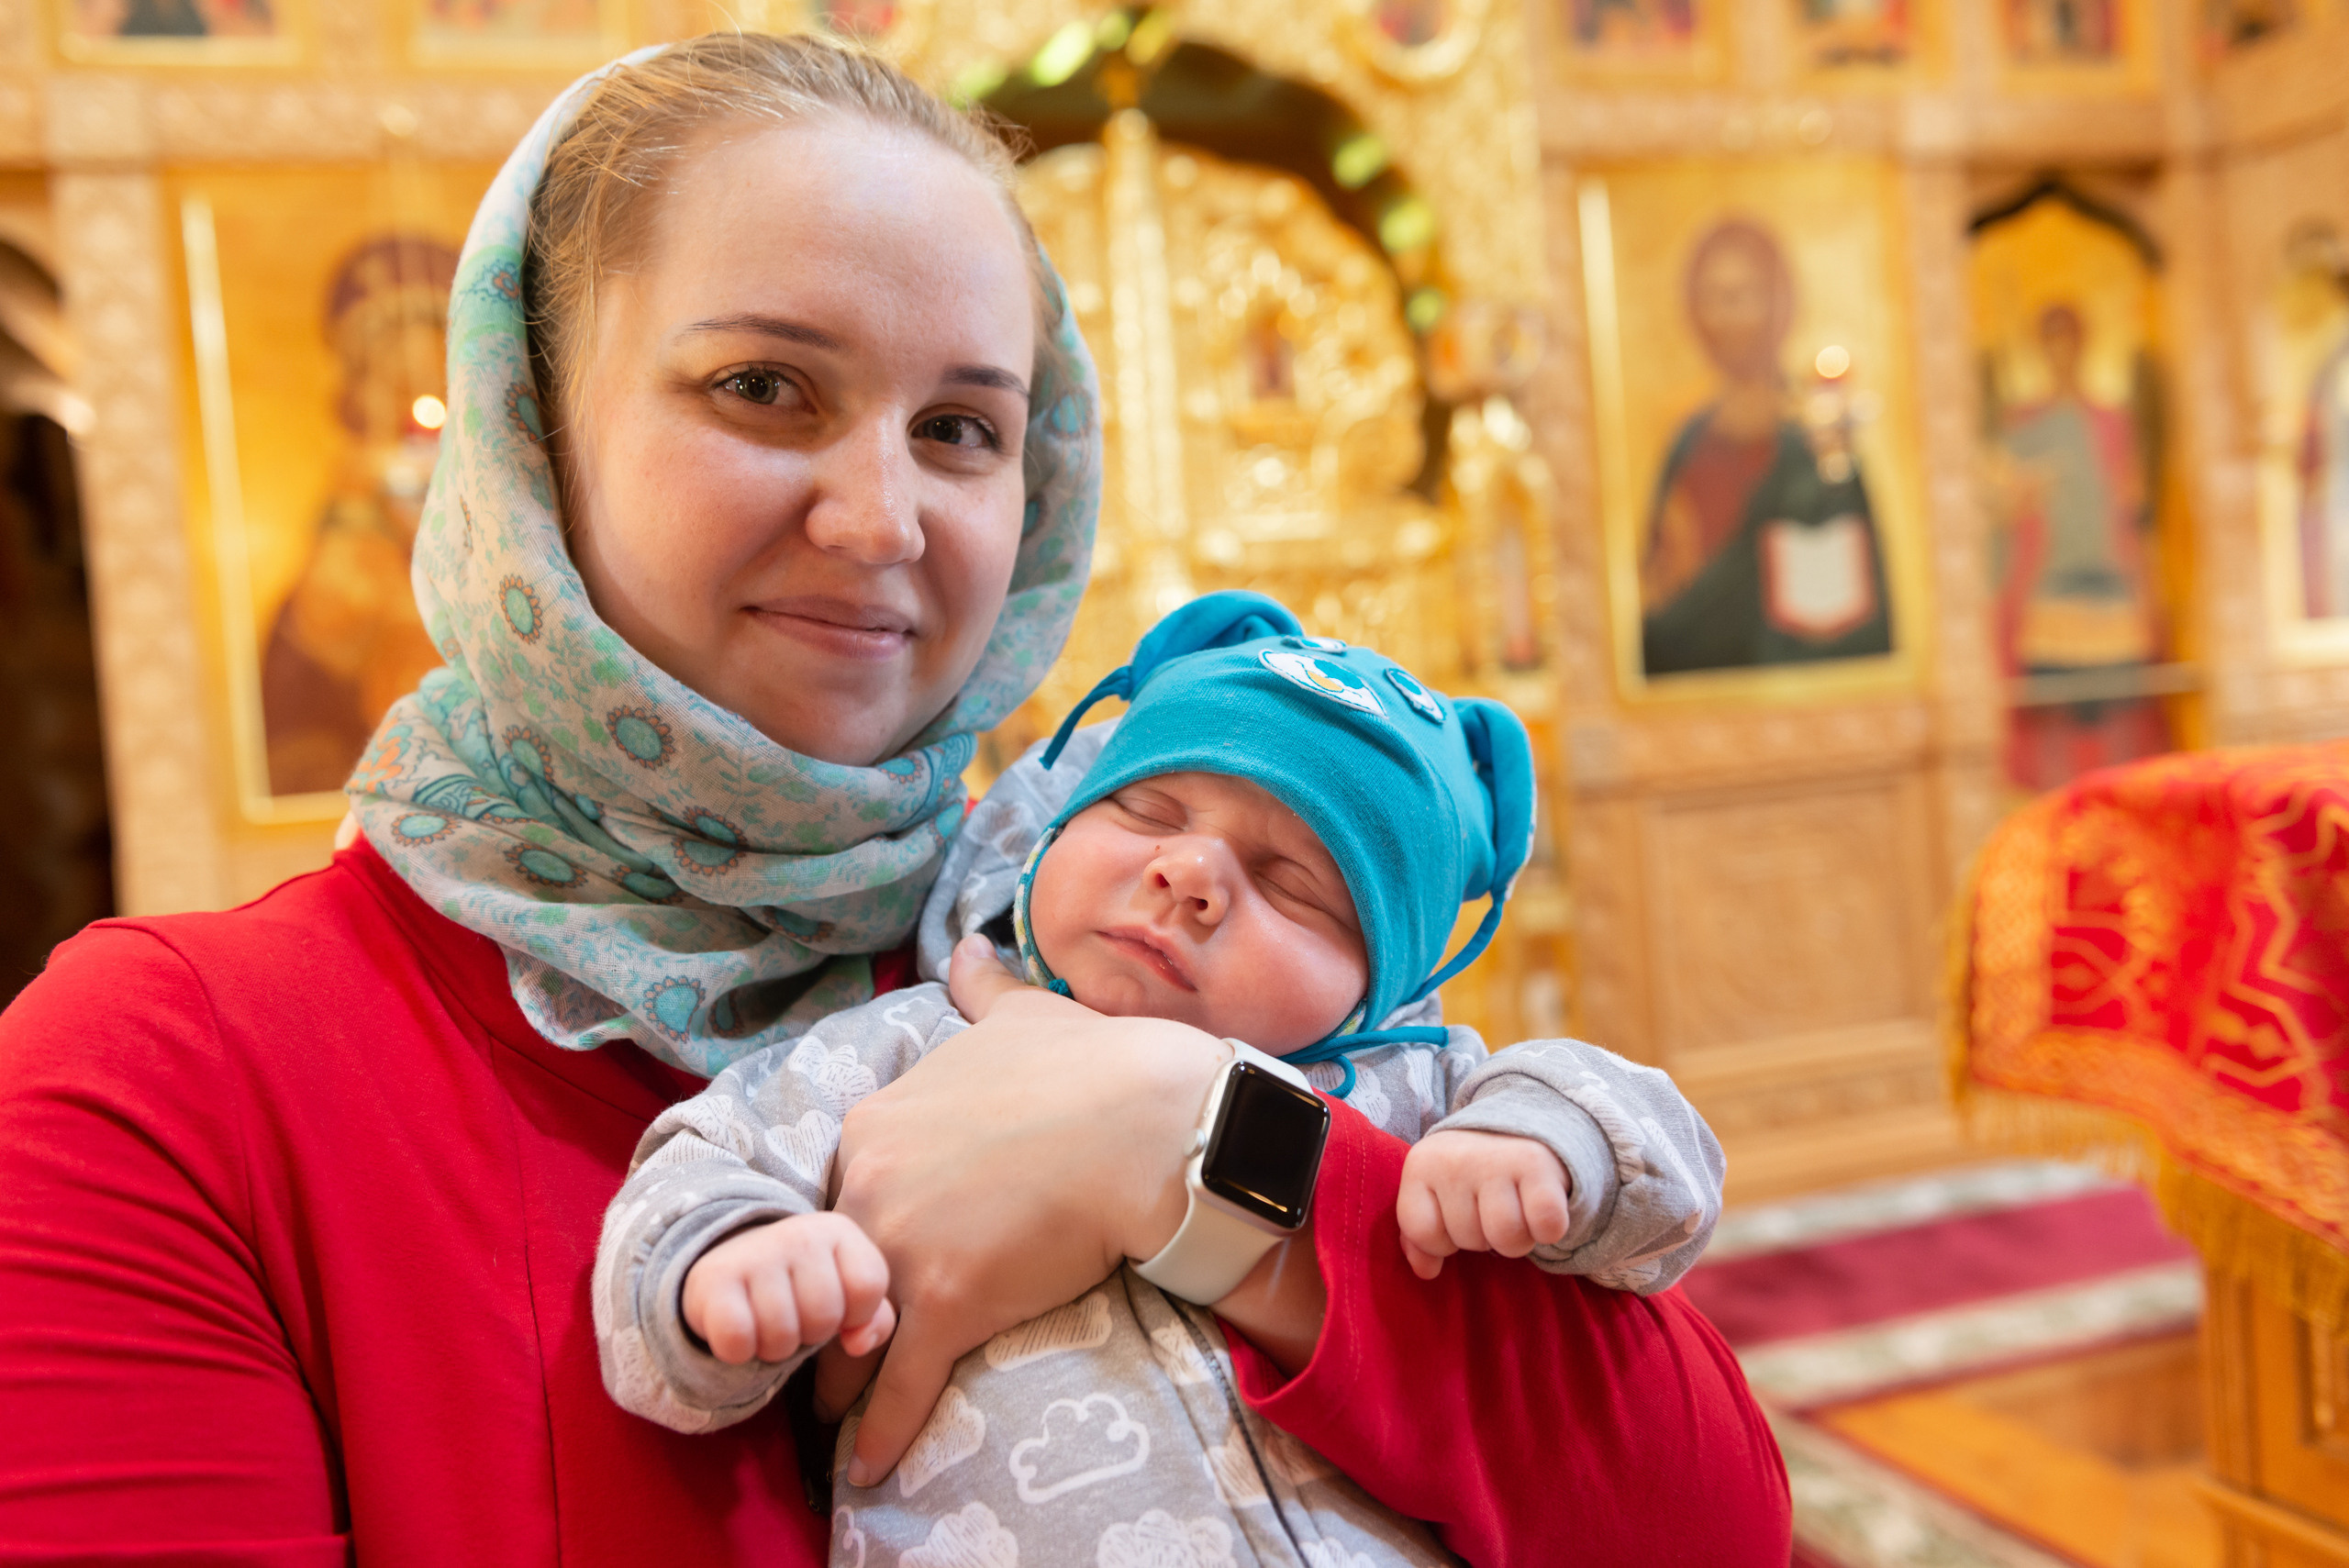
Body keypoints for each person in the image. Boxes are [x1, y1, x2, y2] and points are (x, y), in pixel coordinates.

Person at [0, 33, 1788, 1567]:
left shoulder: (1103, 939)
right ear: (529, 422)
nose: (881, 520)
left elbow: (1705, 1513)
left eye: (960, 427)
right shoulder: (169, 1074)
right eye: (761, 387)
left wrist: (1180, 1146)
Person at [597, 592, 1726, 1566]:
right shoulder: (906, 1043)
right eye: (1147, 808)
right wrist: (730, 1266)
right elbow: (705, 1163)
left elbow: (1657, 1170)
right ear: (1050, 826)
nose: (1186, 872)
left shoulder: (1416, 1091)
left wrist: (1549, 1143)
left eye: (1295, 883)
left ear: (1378, 990)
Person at [1639, 217, 1893, 676]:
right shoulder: (1688, 441)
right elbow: (1659, 577)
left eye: (1742, 296)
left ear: (1778, 304)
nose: (1727, 317)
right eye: (1712, 298)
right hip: (1702, 677)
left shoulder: (1818, 439)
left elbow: (1861, 580)